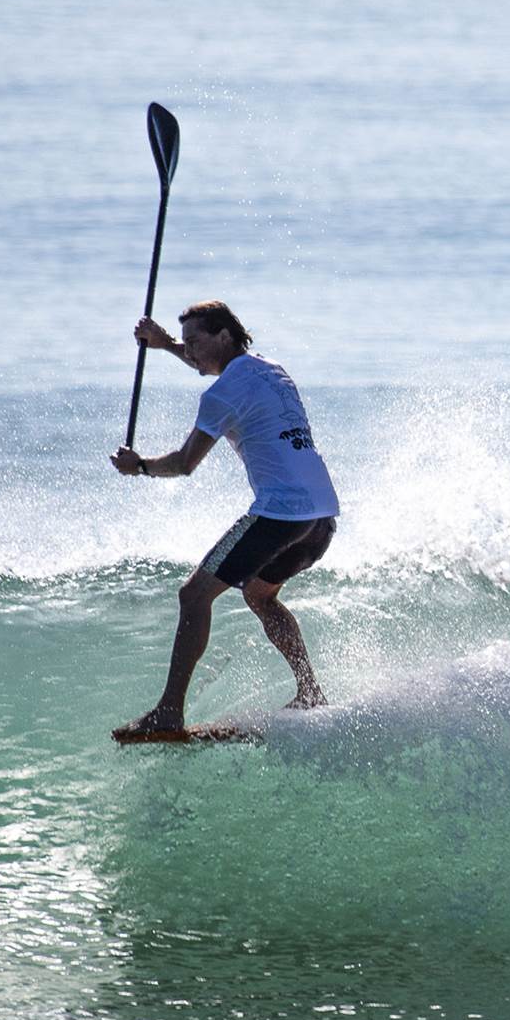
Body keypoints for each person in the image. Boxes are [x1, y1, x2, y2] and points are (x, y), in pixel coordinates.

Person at [110, 300, 339, 737]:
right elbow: (216, 369)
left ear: (225, 335)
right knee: (260, 595)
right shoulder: (270, 369)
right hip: (322, 515)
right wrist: (165, 345)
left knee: (194, 595)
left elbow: (184, 463)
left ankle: (168, 713)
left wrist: (139, 466)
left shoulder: (220, 395)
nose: (190, 352)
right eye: (187, 344)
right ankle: (310, 692)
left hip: (281, 513)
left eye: (196, 342)